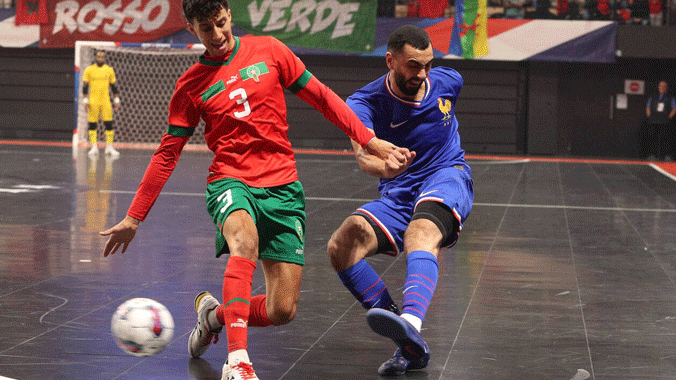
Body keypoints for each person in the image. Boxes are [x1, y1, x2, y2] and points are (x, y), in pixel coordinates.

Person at [98, 1, 409, 379]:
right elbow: (167, 154)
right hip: (230, 181)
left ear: (229, 15)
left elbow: (324, 99)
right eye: (205, 29)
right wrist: (134, 217)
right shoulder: (190, 85)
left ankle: (213, 317)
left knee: (282, 310)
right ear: (191, 28)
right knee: (243, 242)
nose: (216, 36)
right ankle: (238, 361)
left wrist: (371, 141)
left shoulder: (271, 50)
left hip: (283, 187)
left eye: (221, 23)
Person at [326, 25, 474, 376]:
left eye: (427, 65)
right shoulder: (364, 103)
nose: (422, 74)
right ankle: (408, 342)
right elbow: (364, 159)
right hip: (399, 190)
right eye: (413, 65)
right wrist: (386, 167)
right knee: (341, 245)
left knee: (420, 233)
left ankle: (409, 322)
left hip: (446, 176)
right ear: (390, 60)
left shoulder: (449, 82)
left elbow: (442, 100)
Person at [82, 50, 121, 158]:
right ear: (95, 57)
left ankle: (109, 147)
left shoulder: (109, 70)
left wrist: (116, 100)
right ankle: (93, 147)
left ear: (105, 58)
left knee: (109, 124)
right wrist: (85, 101)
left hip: (106, 101)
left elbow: (114, 86)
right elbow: (85, 86)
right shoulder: (89, 70)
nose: (100, 58)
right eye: (99, 56)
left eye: (103, 56)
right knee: (92, 124)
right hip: (93, 101)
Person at [641, 81, 676, 160]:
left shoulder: (670, 98)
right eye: (661, 86)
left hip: (665, 121)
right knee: (653, 138)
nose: (662, 88)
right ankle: (652, 155)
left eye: (664, 86)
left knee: (665, 138)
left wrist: (669, 117)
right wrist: (649, 116)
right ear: (658, 87)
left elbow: (674, 108)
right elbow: (648, 107)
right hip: (654, 120)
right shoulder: (653, 97)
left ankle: (666, 155)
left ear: (666, 88)